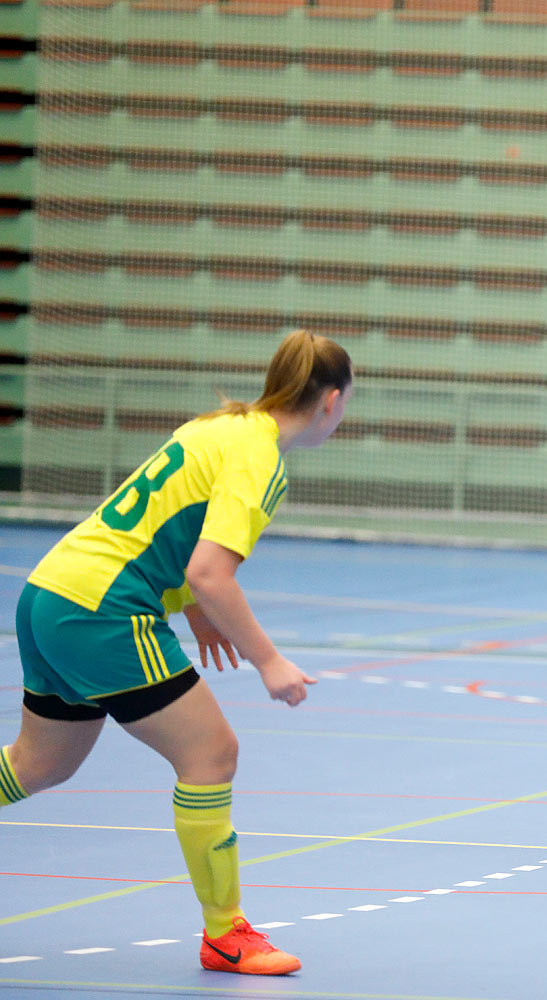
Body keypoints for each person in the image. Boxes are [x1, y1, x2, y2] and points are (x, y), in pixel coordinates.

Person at [0, 329, 352, 975]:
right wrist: (268, 660)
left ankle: (226, 932)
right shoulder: (261, 461)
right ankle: (227, 935)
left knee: (37, 765)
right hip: (103, 609)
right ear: (331, 401)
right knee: (212, 754)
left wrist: (191, 607)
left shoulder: (220, 426)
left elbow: (164, 521)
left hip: (52, 591)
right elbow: (211, 572)